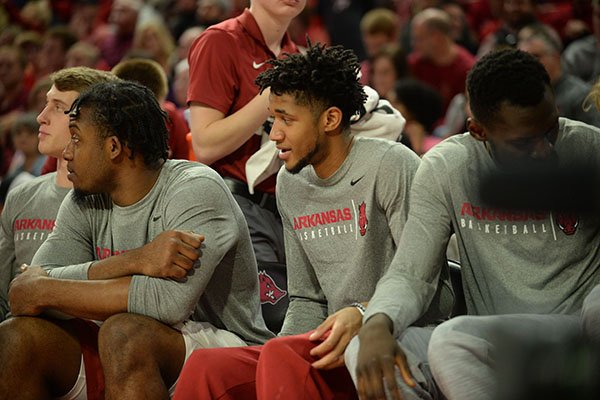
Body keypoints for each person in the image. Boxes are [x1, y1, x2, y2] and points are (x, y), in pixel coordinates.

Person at [172, 42, 428, 400]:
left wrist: (365, 312)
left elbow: (431, 283)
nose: (274, 133)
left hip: (386, 339)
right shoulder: (290, 182)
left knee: (279, 355)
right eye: (272, 118)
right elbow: (306, 298)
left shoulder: (392, 165)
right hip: (327, 347)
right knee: (207, 366)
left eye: (286, 119)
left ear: (330, 119)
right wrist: (282, 352)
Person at [345, 48, 600, 400]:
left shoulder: (591, 150)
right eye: (524, 143)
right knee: (365, 348)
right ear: (478, 131)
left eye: (551, 128)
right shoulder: (447, 166)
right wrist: (377, 320)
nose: (544, 149)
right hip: (489, 342)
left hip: (576, 336)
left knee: (455, 340)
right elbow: (411, 273)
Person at [0, 80, 273, 400]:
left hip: (227, 348)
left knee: (124, 333)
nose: (67, 152)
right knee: (16, 338)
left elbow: (168, 304)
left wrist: (45, 288)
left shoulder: (195, 188)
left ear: (114, 147)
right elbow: (24, 296)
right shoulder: (83, 199)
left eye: (76, 139)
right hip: (122, 344)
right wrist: (135, 259)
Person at [187, 0, 305, 267]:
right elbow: (205, 145)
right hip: (235, 206)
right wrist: (270, 97)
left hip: (288, 211)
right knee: (274, 307)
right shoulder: (219, 41)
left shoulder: (295, 55)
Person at [0, 66, 117, 322]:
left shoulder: (117, 201)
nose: (41, 117)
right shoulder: (21, 195)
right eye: (45, 104)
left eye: (58, 107)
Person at [518, 24, 600, 127]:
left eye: (536, 56)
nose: (528, 63)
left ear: (555, 57)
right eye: (523, 59)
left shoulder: (581, 95)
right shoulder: (521, 96)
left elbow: (594, 138)